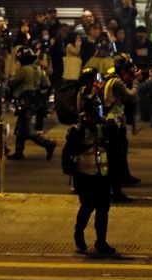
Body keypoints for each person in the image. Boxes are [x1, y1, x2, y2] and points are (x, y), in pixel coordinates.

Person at [63, 71, 116, 255]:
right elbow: (67, 155)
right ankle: (79, 233)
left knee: (103, 209)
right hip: (85, 177)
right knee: (87, 206)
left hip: (102, 175)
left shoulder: (102, 128)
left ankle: (101, 241)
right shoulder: (77, 131)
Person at [101, 54, 140, 202]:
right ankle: (116, 193)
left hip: (109, 121)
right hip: (115, 123)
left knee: (114, 158)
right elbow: (131, 95)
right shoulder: (117, 82)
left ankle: (115, 189)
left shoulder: (108, 77)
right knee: (116, 159)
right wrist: (135, 82)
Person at [8, 46, 56, 161]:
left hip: (26, 101)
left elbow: (12, 82)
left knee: (27, 129)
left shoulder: (24, 70)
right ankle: (19, 152)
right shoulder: (39, 69)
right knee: (20, 127)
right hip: (36, 101)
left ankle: (47, 144)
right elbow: (47, 85)